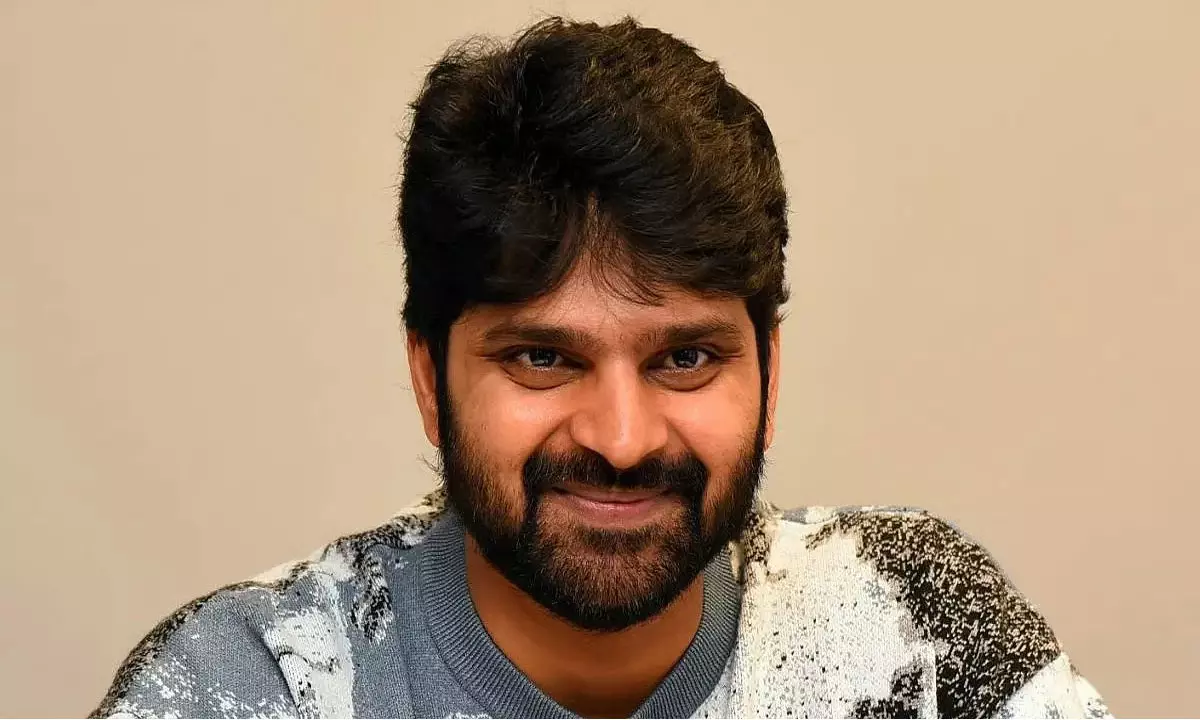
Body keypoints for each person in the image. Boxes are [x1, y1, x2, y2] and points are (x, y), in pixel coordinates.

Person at [91, 16, 1110, 719]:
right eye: (542, 358)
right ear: (429, 376)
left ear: (769, 369)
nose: (621, 439)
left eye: (685, 358)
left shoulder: (920, 633)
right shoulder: (249, 686)